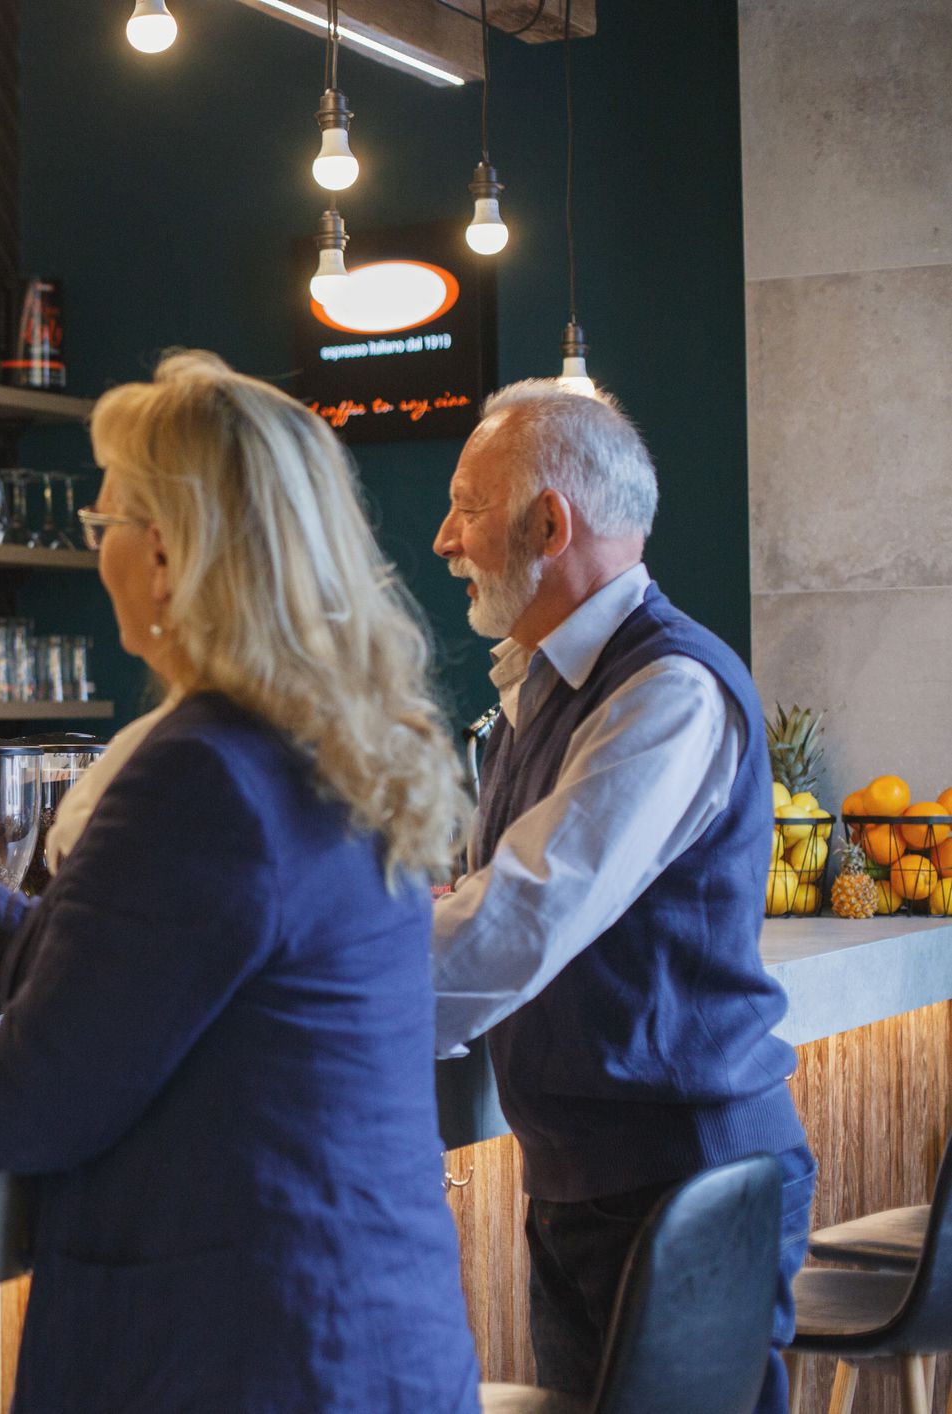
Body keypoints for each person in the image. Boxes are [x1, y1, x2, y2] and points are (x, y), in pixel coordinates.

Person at [0, 352, 482, 1412]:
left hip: (245, 1355)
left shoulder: (203, 768)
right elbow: (108, 977)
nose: (98, 549)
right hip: (360, 1332)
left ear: (165, 555)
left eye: (103, 522)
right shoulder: (327, 737)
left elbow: (28, 1103)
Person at [428, 381, 815, 1412]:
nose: (443, 540)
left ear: (548, 524)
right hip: (591, 1185)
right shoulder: (539, 688)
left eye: (466, 507)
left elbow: (524, 918)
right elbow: (498, 901)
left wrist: (322, 998)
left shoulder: (668, 688)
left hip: (684, 1183)